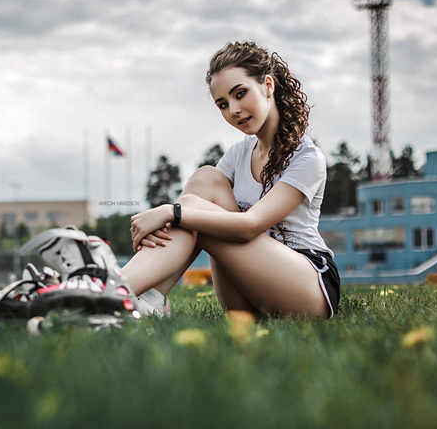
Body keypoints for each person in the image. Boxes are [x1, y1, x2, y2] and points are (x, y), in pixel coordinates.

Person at [122, 41, 340, 320]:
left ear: (268, 85)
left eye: (240, 94)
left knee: (188, 208)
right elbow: (201, 207)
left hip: (307, 288)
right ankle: (148, 299)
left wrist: (171, 211)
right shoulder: (239, 154)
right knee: (205, 180)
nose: (233, 110)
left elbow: (250, 226)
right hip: (245, 294)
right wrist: (182, 214)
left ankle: (109, 288)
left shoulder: (307, 158)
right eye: (223, 104)